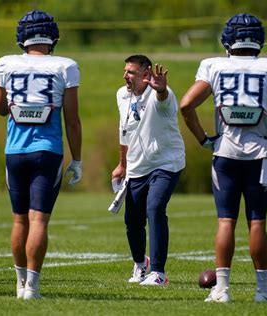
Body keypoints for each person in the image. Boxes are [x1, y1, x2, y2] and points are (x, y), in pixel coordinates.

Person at [180, 13, 267, 303]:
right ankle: (263, 290)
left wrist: (204, 139)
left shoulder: (213, 65)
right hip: (259, 155)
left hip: (225, 153)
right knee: (257, 223)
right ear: (259, 39)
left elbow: (187, 104)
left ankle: (222, 289)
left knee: (225, 221)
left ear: (228, 39)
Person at [0, 9, 82, 299]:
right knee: (39, 221)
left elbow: (0, 107)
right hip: (47, 151)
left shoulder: (6, 64)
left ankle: (20, 284)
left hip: (15, 150)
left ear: (22, 36)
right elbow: (72, 119)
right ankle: (32, 287)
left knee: (19, 219)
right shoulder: (65, 66)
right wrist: (77, 159)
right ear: (52, 37)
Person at [111, 55, 185, 286]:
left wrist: (161, 90)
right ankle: (140, 265)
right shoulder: (122, 95)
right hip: (137, 166)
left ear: (146, 74)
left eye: (131, 72)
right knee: (132, 220)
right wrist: (122, 164)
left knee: (154, 208)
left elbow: (163, 100)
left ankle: (158, 273)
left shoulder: (161, 93)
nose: (126, 76)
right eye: (125, 71)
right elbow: (125, 131)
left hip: (166, 162)